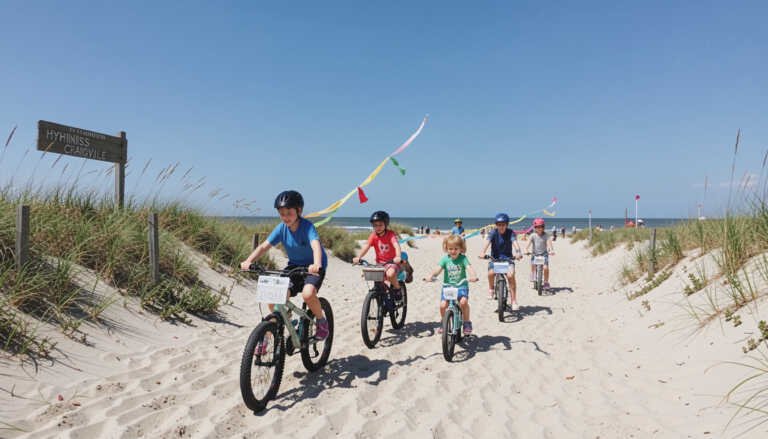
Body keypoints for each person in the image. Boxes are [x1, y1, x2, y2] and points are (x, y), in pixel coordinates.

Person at [240, 190, 330, 340]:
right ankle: (283, 318)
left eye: (289, 213)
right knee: (274, 295)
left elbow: (315, 246)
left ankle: (321, 321)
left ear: (299, 211)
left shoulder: (307, 227)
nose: (285, 217)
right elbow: (264, 246)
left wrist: (317, 264)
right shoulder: (281, 229)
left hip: (312, 267)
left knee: (308, 294)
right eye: (282, 213)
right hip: (294, 266)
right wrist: (249, 261)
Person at [424, 235, 479, 335]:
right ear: (446, 249)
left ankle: (467, 322)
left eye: (455, 249)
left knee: (463, 302)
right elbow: (438, 269)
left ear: (461, 249)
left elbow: (469, 267)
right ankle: (443, 322)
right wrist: (431, 276)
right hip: (448, 287)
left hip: (461, 286)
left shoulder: (463, 258)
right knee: (443, 305)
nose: (453, 251)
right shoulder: (445, 259)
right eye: (450, 249)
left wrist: (473, 275)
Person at [353, 211, 404, 304]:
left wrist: (398, 256)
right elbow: (366, 246)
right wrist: (358, 257)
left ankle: (397, 289)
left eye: (380, 225)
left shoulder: (390, 234)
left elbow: (396, 245)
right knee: (373, 278)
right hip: (380, 264)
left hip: (392, 262)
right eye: (375, 225)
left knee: (390, 274)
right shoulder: (373, 236)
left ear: (386, 224)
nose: (378, 227)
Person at [479, 213, 523, 309]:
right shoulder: (493, 233)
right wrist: (482, 252)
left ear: (507, 224)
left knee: (511, 276)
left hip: (508, 259)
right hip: (495, 259)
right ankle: (491, 289)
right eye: (499, 224)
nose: (501, 226)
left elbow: (515, 243)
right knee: (490, 273)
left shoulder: (511, 233)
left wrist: (518, 252)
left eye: (503, 224)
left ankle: (514, 300)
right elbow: (487, 242)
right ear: (496, 225)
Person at [526, 218, 555, 290]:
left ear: (543, 227)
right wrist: (526, 250)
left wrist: (551, 250)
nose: (539, 229)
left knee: (545, 268)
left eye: (541, 227)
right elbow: (528, 244)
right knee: (533, 265)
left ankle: (546, 282)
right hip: (535, 254)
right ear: (535, 228)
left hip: (544, 254)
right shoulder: (533, 235)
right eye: (537, 227)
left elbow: (549, 243)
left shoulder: (546, 235)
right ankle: (533, 275)